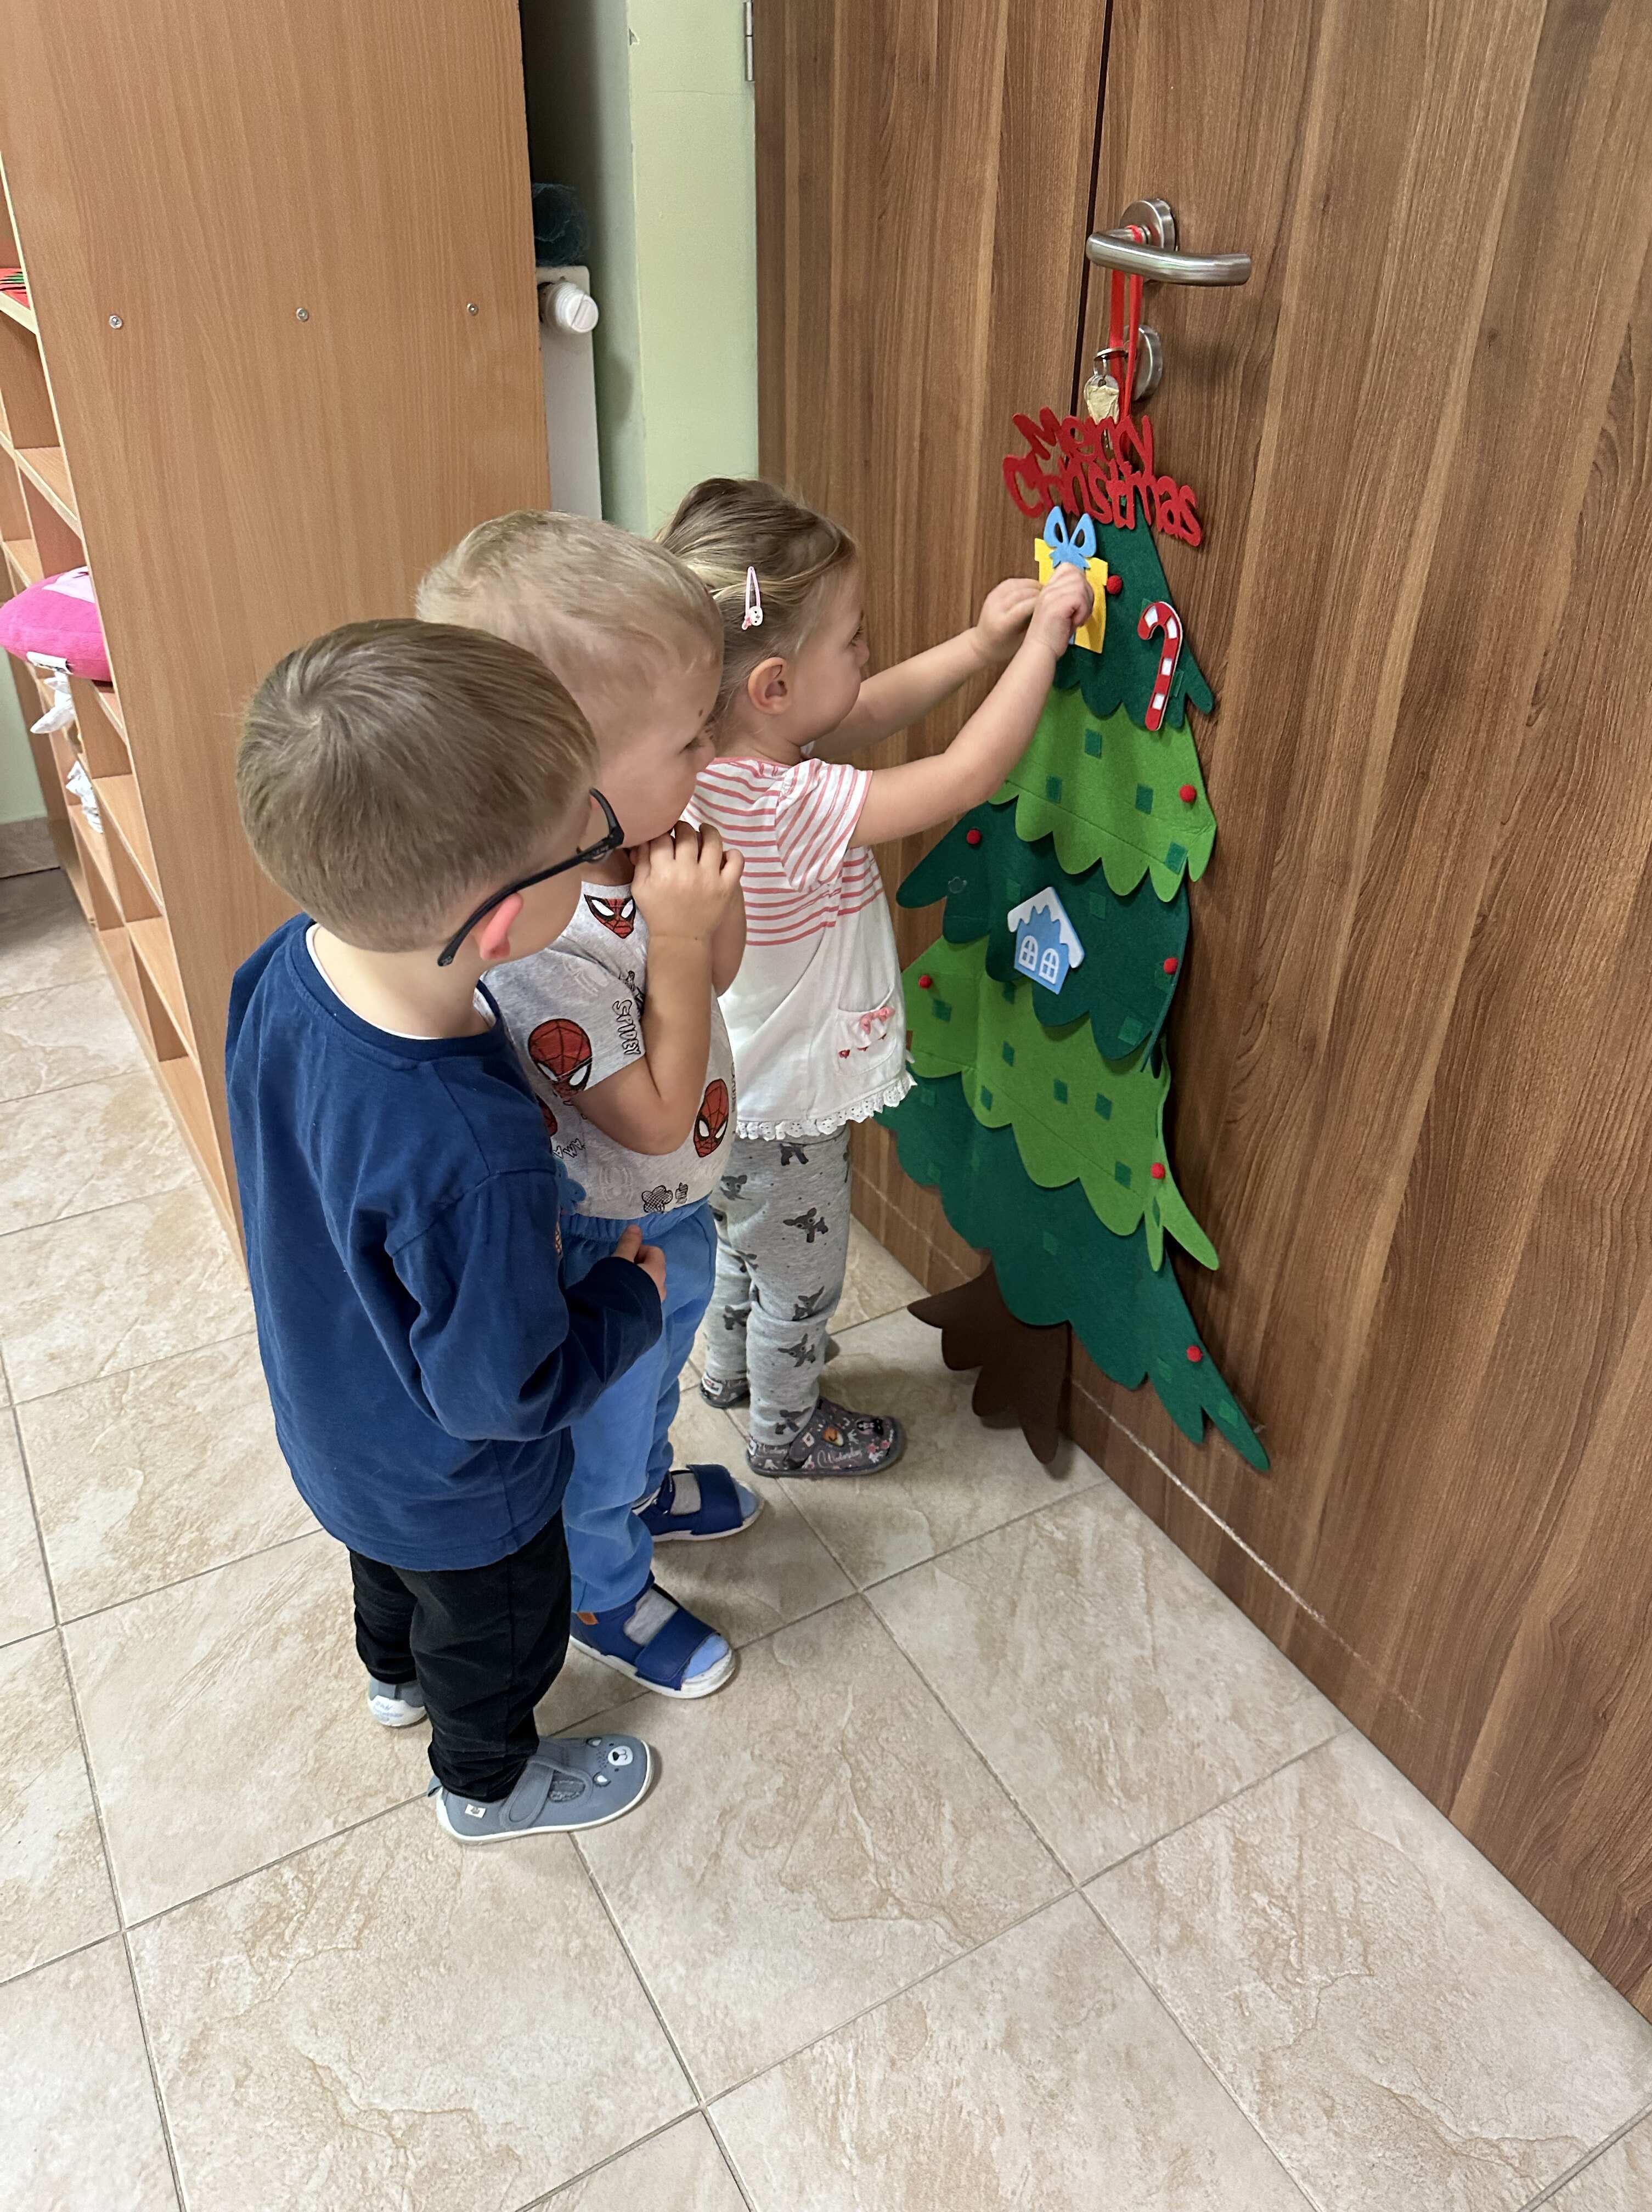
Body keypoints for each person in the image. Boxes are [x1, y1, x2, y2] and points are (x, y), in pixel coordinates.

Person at [226, 618, 667, 1842]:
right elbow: (503, 1392)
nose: (605, 834)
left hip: (334, 1419)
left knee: (385, 1572)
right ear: (503, 925)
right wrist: (625, 1304)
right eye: (588, 831)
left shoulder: (283, 965)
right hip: (464, 1490)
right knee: (495, 1635)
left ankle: (391, 1678)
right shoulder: (474, 1151)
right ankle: (487, 1783)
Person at [663, 478, 1092, 1475]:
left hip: (731, 1096)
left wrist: (978, 646)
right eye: (854, 637)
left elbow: (865, 709)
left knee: (745, 1247)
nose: (867, 654)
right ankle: (785, 1432)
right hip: (789, 1107)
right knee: (804, 1282)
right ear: (774, 685)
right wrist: (1040, 645)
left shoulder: (718, 761)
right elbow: (962, 777)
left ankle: (727, 1372)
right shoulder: (788, 803)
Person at [417, 515, 757, 1701]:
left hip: (674, 1213)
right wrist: (677, 935)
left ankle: (642, 1493)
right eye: (689, 736)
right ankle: (603, 1590)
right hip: (598, 1238)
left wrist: (702, 911)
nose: (715, 749)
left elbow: (720, 977)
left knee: (654, 1391)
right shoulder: (542, 941)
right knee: (599, 1435)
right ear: (573, 778)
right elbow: (654, 1116)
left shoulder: (640, 855)